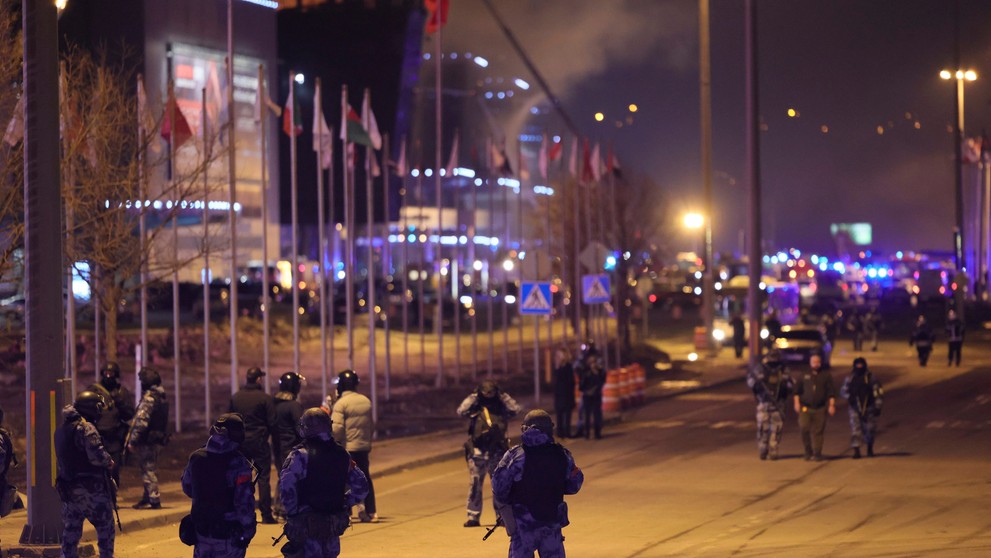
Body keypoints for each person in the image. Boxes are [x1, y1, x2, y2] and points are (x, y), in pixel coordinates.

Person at [491, 410, 584, 558]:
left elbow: (499, 488)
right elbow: (574, 485)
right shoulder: (562, 454)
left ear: (525, 429)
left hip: (523, 526)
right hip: (551, 525)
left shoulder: (515, 455)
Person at [279, 408, 369, 558]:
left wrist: (294, 514)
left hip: (307, 527)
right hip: (332, 525)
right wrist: (344, 502)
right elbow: (361, 487)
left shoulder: (300, 456)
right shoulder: (342, 454)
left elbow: (287, 488)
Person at [181, 413, 256, 557]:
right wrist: (248, 531)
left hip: (202, 533)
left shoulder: (196, 458)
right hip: (228, 537)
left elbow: (188, 487)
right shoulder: (239, 463)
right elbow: (243, 503)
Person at [55, 391, 116, 558]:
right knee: (106, 529)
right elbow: (96, 457)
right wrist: (109, 461)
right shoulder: (86, 428)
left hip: (69, 491)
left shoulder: (62, 429)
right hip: (91, 490)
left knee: (71, 533)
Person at [457, 379, 521, 527]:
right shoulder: (475, 406)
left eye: (491, 392)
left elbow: (515, 409)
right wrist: (474, 395)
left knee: (498, 485)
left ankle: (501, 516)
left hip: (497, 451)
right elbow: (461, 410)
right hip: (478, 450)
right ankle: (473, 516)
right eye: (485, 392)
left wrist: (503, 395)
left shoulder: (501, 407)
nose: (488, 395)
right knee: (475, 484)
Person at [229, 366, 277, 524]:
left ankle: (241, 512)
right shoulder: (265, 398)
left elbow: (229, 420)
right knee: (263, 477)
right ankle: (266, 514)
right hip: (259, 442)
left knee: (241, 477)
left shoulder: (236, 397)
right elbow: (272, 422)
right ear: (258, 379)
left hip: (240, 443)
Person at [330, 369, 377, 523]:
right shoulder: (366, 401)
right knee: (365, 479)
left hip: (347, 448)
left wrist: (332, 442)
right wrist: (367, 441)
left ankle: (347, 513)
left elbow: (337, 428)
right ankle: (371, 512)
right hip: (362, 447)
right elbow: (371, 425)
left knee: (344, 480)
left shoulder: (341, 404)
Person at [88, 361, 135, 485]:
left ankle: (112, 497)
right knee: (96, 468)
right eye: (106, 373)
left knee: (113, 468)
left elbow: (129, 414)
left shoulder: (121, 392)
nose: (108, 376)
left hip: (114, 436)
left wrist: (119, 402)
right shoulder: (94, 390)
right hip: (96, 435)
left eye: (111, 373)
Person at [128, 367, 169, 509]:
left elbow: (141, 422)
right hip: (156, 439)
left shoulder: (150, 399)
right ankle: (147, 496)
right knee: (148, 467)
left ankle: (153, 499)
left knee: (148, 468)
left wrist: (133, 440)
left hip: (147, 440)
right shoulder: (161, 397)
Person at [746, 350, 794, 461]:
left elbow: (791, 385)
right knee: (763, 428)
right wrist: (758, 381)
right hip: (764, 403)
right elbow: (751, 382)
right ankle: (763, 449)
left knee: (776, 429)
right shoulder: (761, 369)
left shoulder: (783, 370)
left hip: (778, 404)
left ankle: (773, 449)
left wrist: (785, 383)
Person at [273, 371, 305, 520]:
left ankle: (278, 508)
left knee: (282, 476)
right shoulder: (294, 406)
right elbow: (301, 428)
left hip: (277, 446)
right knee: (292, 478)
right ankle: (287, 509)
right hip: (291, 447)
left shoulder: (274, 405)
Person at [793, 353, 836, 461]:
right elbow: (797, 391)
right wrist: (796, 403)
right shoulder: (804, 375)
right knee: (804, 428)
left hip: (820, 408)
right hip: (805, 408)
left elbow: (831, 392)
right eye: (814, 362)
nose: (816, 364)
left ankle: (817, 452)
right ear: (810, 362)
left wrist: (831, 405)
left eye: (818, 362)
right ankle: (808, 451)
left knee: (818, 431)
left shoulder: (825, 375)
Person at [840, 357, 884, 459]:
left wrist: (878, 406)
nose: (859, 367)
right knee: (856, 429)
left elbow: (878, 393)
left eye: (861, 365)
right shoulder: (850, 378)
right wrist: (849, 397)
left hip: (869, 407)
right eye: (857, 365)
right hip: (854, 408)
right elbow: (843, 391)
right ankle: (856, 450)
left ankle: (869, 447)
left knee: (870, 429)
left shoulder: (871, 378)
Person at [575, 341, 605, 440]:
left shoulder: (598, 361)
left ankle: (597, 432)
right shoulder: (584, 363)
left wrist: (596, 371)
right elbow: (577, 368)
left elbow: (602, 378)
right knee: (584, 413)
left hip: (596, 393)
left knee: (597, 414)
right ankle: (585, 432)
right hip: (587, 393)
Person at [551, 347, 575, 439]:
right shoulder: (557, 367)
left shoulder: (568, 367)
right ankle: (560, 432)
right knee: (559, 414)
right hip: (559, 394)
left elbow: (570, 381)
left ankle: (567, 432)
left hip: (567, 394)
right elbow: (554, 381)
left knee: (567, 414)